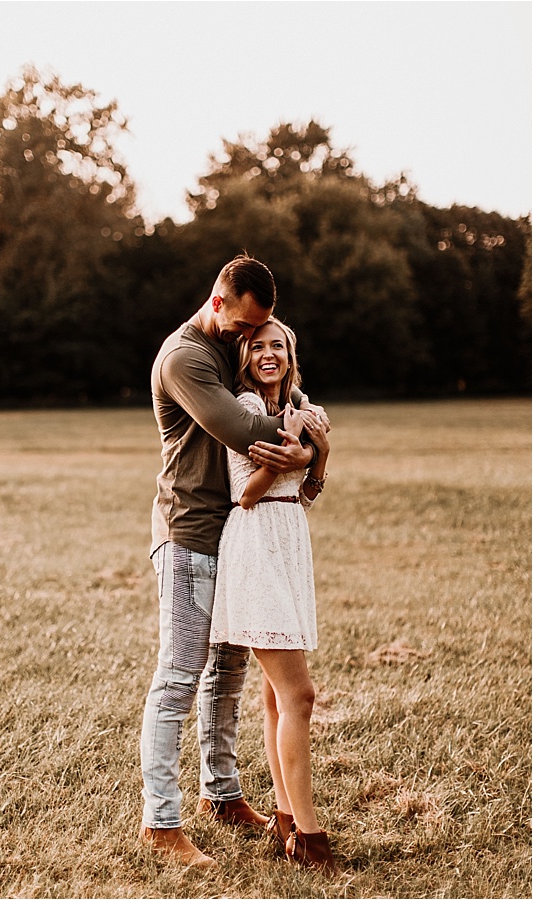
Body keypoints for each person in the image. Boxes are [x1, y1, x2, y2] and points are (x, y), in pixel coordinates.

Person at [140, 255, 329, 868]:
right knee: (180, 674)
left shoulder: (238, 344)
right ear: (218, 303)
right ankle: (159, 823)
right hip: (190, 531)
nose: (250, 339)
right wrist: (307, 441)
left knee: (229, 675)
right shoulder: (186, 356)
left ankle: (220, 793)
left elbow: (284, 393)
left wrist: (309, 422)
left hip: (236, 538)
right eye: (244, 327)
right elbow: (242, 430)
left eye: (261, 329)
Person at [210, 317, 334, 873]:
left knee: (275, 696)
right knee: (300, 695)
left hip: (289, 542)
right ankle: (310, 837)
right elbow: (245, 494)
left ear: (290, 353)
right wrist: (288, 450)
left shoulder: (302, 410)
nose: (268, 354)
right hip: (255, 544)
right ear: (245, 357)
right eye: (257, 346)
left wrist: (316, 458)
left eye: (277, 345)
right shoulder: (244, 410)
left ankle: (285, 820)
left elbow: (304, 495)